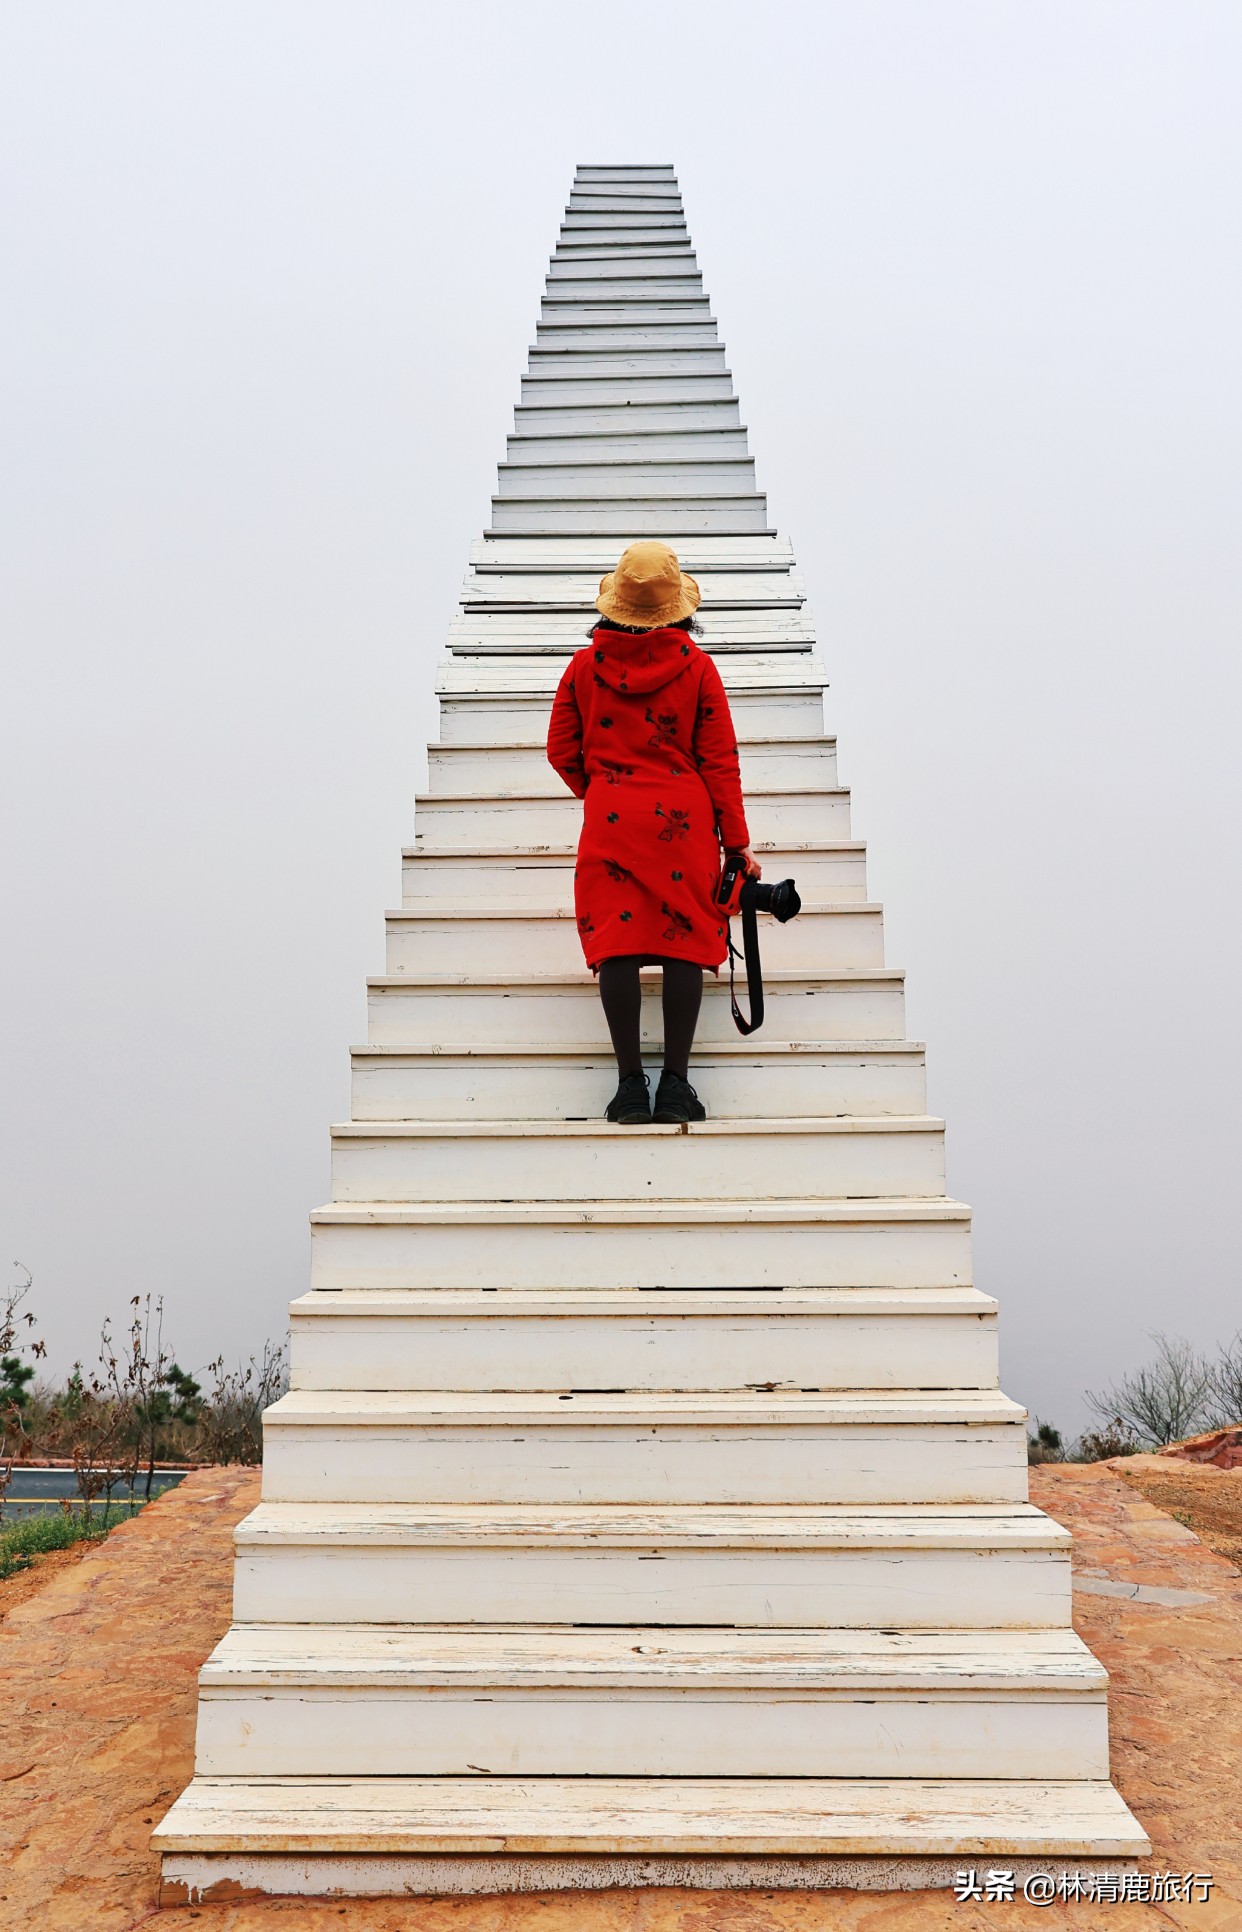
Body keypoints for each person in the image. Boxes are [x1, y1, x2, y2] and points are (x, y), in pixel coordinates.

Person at [546, 539, 759, 1124]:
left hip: (612, 818)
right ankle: (675, 1086)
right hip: (683, 823)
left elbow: (560, 749)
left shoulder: (583, 667)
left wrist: (602, 791)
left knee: (617, 942)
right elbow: (720, 760)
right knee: (682, 942)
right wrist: (736, 843)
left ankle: (628, 1088)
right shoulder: (697, 665)